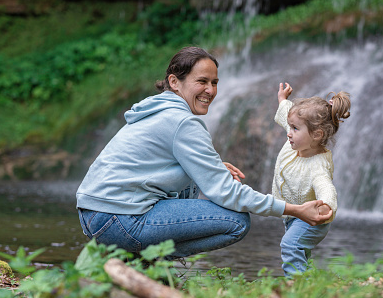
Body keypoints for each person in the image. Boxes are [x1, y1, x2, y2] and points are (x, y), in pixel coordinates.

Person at [76, 47, 332, 262]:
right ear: (174, 82)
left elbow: (150, 164)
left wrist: (210, 167)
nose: (210, 90)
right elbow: (226, 193)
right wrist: (293, 209)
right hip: (118, 218)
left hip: (95, 214)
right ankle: (140, 261)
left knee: (199, 189)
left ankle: (132, 258)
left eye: (214, 82)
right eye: (202, 82)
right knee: (235, 221)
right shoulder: (182, 122)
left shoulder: (159, 111)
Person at [273, 82, 351, 276]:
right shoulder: (298, 141)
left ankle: (295, 286)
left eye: (295, 129)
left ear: (317, 135)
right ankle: (307, 283)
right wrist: (283, 100)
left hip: (313, 217)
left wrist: (326, 205)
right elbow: (286, 116)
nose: (289, 133)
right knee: (299, 252)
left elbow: (326, 187)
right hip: (295, 214)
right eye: (290, 127)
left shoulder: (317, 165)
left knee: (290, 245)